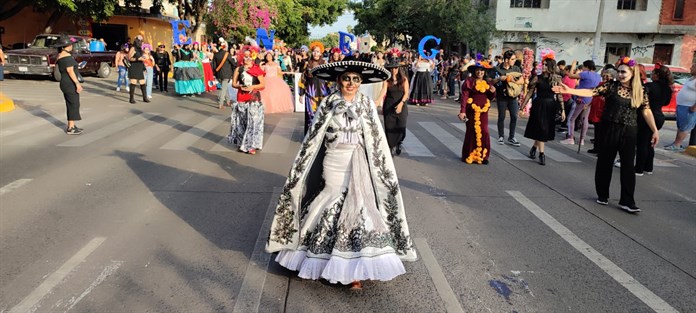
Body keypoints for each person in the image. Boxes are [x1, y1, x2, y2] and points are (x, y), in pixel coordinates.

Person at [266, 60, 417, 290]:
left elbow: (375, 138)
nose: (351, 83)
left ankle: (353, 268)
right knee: (332, 197)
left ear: (361, 83)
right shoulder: (328, 103)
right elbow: (314, 137)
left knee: (360, 205)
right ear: (339, 80)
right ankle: (320, 256)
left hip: (357, 161)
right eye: (346, 79)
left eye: (356, 79)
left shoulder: (366, 104)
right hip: (333, 160)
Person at [554, 56, 659, 213]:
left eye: (623, 72)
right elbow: (591, 91)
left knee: (628, 166)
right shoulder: (612, 86)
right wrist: (570, 90)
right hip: (609, 128)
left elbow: (646, 110)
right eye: (619, 72)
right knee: (605, 162)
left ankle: (627, 201)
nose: (620, 75)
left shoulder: (641, 90)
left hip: (630, 131)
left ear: (632, 73)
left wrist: (655, 130)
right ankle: (603, 194)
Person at [520, 52, 565, 166]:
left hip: (550, 106)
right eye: (543, 64)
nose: (543, 66)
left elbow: (559, 95)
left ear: (551, 66)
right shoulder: (537, 78)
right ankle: (542, 154)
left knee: (544, 130)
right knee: (541, 128)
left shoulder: (557, 79)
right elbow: (530, 93)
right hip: (539, 105)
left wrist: (562, 110)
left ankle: (534, 148)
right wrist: (522, 106)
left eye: (546, 64)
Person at [634, 63, 672, 175]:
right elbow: (666, 102)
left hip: (647, 116)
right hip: (659, 116)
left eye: (653, 73)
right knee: (650, 143)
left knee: (642, 143)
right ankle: (648, 167)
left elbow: (641, 99)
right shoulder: (668, 89)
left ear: (657, 75)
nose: (651, 75)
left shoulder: (650, 86)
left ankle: (639, 169)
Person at [227, 46, 266, 155]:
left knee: (253, 123)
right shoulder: (238, 69)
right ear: (242, 57)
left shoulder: (256, 69)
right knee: (242, 122)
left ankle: (251, 145)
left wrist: (252, 87)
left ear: (253, 57)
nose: (247, 59)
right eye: (245, 57)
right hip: (241, 97)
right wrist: (239, 86)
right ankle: (242, 143)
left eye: (249, 57)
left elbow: (262, 84)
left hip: (254, 98)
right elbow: (233, 83)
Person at [459, 60, 496, 164]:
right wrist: (463, 111)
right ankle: (469, 154)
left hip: (483, 111)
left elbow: (490, 96)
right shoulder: (469, 81)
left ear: (485, 72)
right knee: (471, 131)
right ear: (475, 71)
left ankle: (483, 156)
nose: (480, 72)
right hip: (472, 110)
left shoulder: (487, 82)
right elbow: (464, 97)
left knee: (484, 131)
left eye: (482, 71)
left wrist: (493, 92)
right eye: (478, 70)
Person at [561, 60, 602, 145]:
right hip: (590, 99)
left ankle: (570, 137)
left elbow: (570, 75)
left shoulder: (585, 74)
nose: (582, 68)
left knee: (572, 118)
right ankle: (582, 140)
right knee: (584, 119)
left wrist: (573, 65)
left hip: (581, 98)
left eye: (583, 66)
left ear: (587, 66)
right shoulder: (598, 76)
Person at [377, 60, 410, 156]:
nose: (393, 70)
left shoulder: (403, 79)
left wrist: (401, 104)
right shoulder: (387, 79)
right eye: (391, 68)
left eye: (395, 68)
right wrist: (378, 101)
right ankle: (390, 146)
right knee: (389, 125)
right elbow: (384, 90)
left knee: (401, 124)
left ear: (398, 68)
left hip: (401, 104)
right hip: (389, 104)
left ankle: (398, 142)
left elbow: (406, 93)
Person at [492, 50, 525, 146]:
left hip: (513, 96)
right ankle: (501, 136)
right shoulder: (497, 69)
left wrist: (511, 80)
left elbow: (522, 81)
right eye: (512, 59)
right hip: (501, 96)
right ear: (506, 60)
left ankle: (511, 137)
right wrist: (499, 78)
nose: (514, 61)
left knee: (514, 116)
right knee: (501, 117)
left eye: (514, 59)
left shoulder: (516, 68)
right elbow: (491, 81)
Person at [54, 36, 84, 135]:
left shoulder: (61, 55)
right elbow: (70, 71)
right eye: (71, 44)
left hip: (64, 82)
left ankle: (72, 125)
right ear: (67, 46)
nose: (72, 46)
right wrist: (77, 84)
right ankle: (70, 128)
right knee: (73, 104)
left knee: (70, 104)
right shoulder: (66, 56)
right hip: (69, 83)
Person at [663, 63, 696, 151]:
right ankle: (676, 143)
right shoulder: (691, 78)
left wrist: (694, 106)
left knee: (685, 126)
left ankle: (677, 144)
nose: (691, 68)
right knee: (680, 126)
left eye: (693, 67)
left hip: (689, 107)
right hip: (682, 105)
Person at [300, 42, 329, 134]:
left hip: (323, 94)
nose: (316, 53)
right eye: (314, 51)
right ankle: (310, 136)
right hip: (310, 94)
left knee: (322, 115)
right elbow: (303, 79)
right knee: (311, 115)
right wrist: (301, 94)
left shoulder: (325, 63)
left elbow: (329, 80)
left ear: (321, 53)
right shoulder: (307, 64)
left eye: (318, 51)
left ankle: (321, 136)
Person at [587, 68, 617, 154]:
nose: (605, 77)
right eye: (604, 75)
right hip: (596, 109)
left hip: (603, 110)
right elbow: (594, 94)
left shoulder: (611, 87)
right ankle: (596, 147)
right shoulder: (600, 84)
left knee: (602, 132)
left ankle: (601, 150)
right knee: (597, 131)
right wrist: (588, 104)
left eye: (607, 76)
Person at [211, 40, 236, 109]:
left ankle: (228, 101)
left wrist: (214, 73)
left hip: (219, 74)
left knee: (225, 87)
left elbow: (213, 65)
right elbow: (233, 63)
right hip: (226, 74)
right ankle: (220, 103)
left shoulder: (216, 54)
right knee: (223, 89)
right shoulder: (227, 54)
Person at [127, 34, 149, 103]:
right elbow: (129, 58)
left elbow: (141, 59)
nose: (142, 42)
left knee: (143, 82)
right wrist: (138, 58)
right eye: (141, 41)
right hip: (133, 67)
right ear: (137, 41)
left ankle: (145, 98)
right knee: (133, 82)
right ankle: (131, 99)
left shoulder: (140, 49)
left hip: (140, 67)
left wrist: (144, 67)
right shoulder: (133, 48)